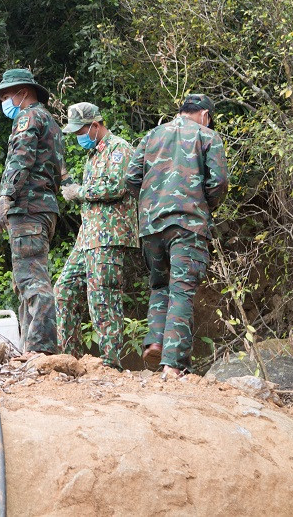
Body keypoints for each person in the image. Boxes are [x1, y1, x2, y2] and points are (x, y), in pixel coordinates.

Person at [125, 94, 229, 379]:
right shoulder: (208, 136)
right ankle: (173, 364)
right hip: (188, 224)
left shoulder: (152, 135)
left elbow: (131, 178)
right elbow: (218, 181)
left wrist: (151, 202)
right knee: (182, 289)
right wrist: (204, 205)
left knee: (160, 286)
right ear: (205, 114)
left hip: (151, 226)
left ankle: (156, 341)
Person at [0, 68, 68, 354]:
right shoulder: (51, 123)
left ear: (23, 92)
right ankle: (30, 348)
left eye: (7, 95)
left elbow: (20, 159)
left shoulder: (29, 116)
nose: (5, 102)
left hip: (29, 209)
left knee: (31, 281)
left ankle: (41, 349)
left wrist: (6, 197)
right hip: (45, 209)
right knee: (27, 280)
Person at [54, 103, 139, 369]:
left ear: (95, 125)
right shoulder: (93, 156)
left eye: (81, 130)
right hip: (88, 237)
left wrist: (78, 191)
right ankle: (71, 360)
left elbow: (116, 185)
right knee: (63, 290)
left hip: (110, 236)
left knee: (103, 299)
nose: (79, 135)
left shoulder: (120, 149)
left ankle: (110, 365)